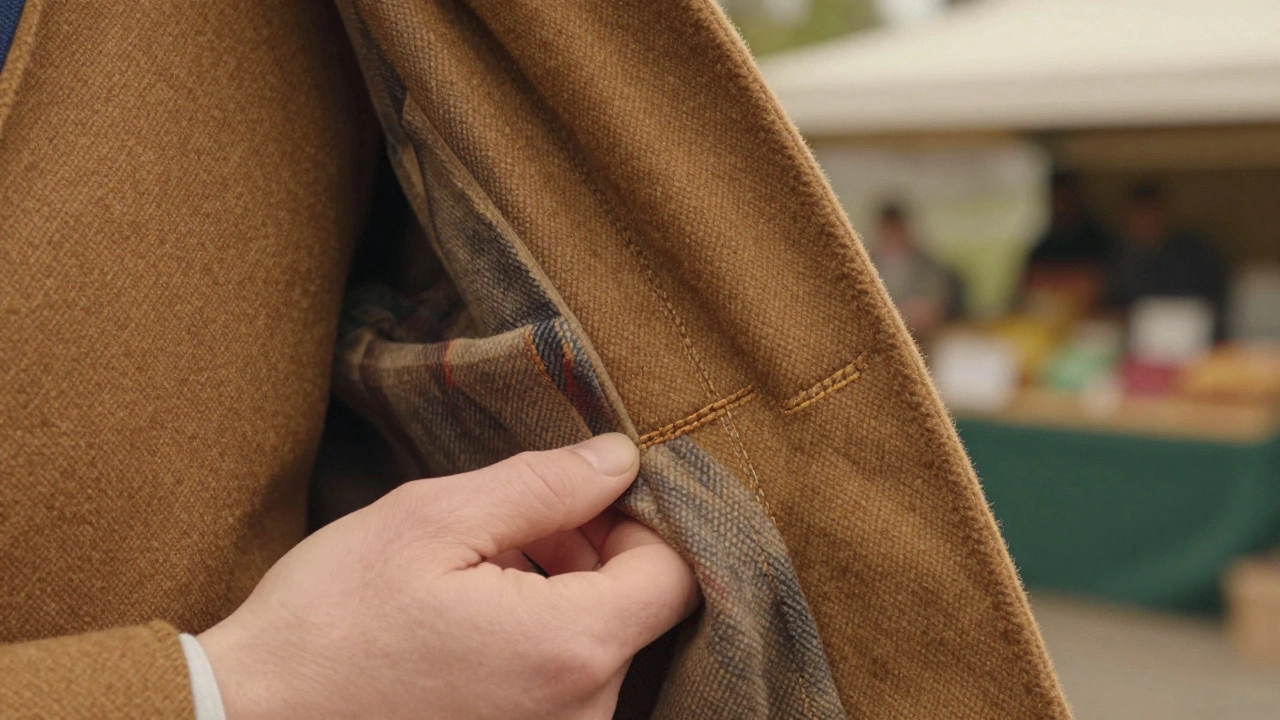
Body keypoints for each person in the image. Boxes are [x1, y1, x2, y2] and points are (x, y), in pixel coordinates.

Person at [1106, 183, 1229, 337]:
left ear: (1164, 214)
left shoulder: (1195, 253)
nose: (1146, 222)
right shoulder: (1119, 257)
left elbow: (1214, 306)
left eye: (1151, 213)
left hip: (1193, 337)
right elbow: (1114, 309)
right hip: (1139, 342)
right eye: (1139, 215)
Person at [869, 203, 963, 341]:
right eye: (889, 230)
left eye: (896, 229)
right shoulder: (866, 265)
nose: (893, 236)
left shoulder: (928, 267)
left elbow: (932, 309)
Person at [1028, 170, 1115, 265]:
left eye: (1064, 199)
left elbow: (1094, 272)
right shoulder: (1035, 231)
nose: (1060, 206)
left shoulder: (1094, 236)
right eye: (1056, 199)